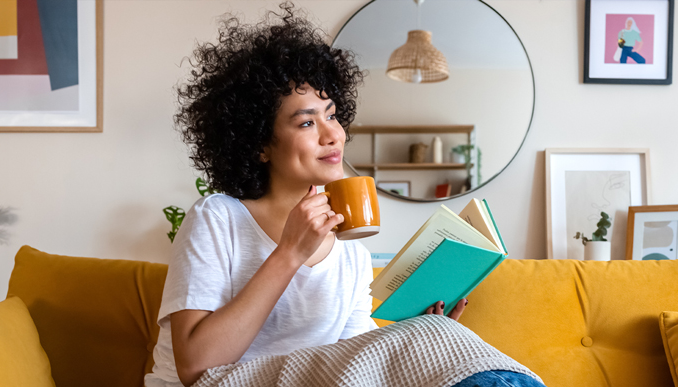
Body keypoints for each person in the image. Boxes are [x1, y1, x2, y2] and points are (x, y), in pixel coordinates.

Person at [145, 4, 543, 387]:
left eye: (332, 115)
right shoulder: (217, 218)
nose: (333, 134)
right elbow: (196, 367)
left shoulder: (350, 247)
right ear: (258, 143)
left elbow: (356, 364)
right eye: (306, 122)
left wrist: (423, 335)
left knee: (438, 341)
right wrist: (289, 254)